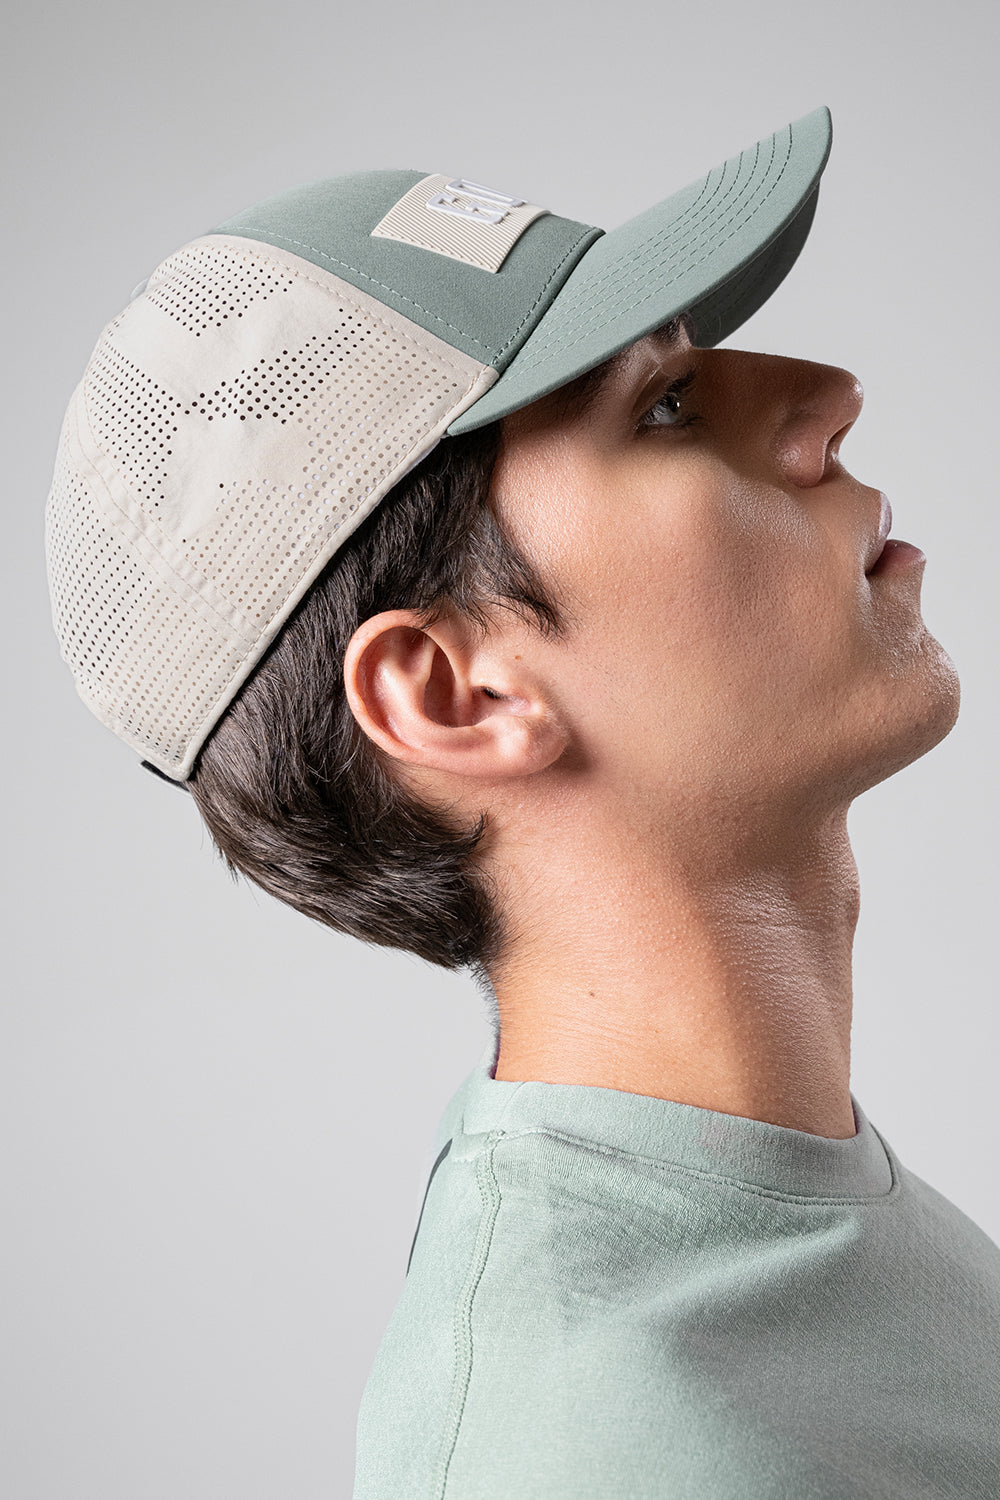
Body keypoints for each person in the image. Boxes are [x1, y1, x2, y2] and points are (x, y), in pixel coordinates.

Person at [45, 105, 1000, 1498]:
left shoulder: (789, 1224)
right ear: (457, 695)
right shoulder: (594, 1444)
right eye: (663, 407)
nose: (825, 392)